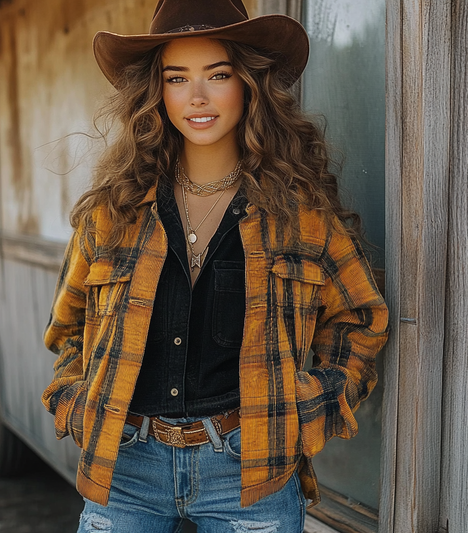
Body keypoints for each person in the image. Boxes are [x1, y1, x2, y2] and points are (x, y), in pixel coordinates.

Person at [41, 1, 389, 531]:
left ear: (250, 84)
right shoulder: (113, 213)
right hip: (126, 471)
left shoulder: (301, 215)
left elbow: (362, 320)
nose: (197, 98)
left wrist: (305, 410)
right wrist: (78, 403)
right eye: (177, 78)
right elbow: (68, 328)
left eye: (218, 75)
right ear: (155, 92)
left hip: (249, 474)